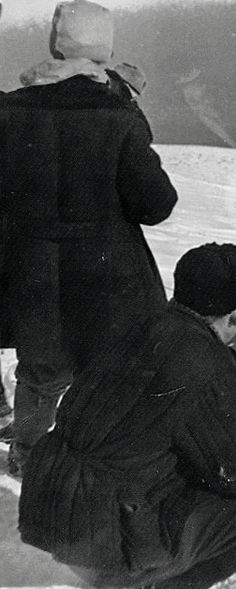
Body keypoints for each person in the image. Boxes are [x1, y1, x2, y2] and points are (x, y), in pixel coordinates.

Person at [18, 243, 236, 589]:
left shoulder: (134, 327)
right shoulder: (202, 359)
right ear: (234, 315)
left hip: (47, 512)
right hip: (103, 548)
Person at [0, 0, 177, 475]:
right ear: (107, 49)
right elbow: (156, 205)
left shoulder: (7, 110)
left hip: (30, 270)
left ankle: (28, 456)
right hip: (105, 272)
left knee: (39, 371)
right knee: (106, 371)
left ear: (54, 44)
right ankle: (99, 460)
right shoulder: (117, 113)